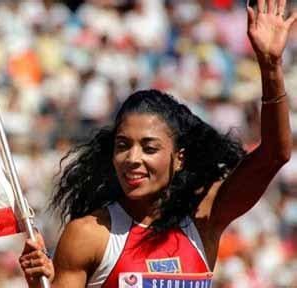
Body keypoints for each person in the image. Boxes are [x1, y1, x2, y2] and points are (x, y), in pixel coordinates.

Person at [19, 0, 296, 287]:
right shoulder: (90, 234)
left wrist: (271, 67)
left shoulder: (204, 217)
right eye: (123, 145)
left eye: (149, 148)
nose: (132, 158)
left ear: (179, 158)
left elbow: (275, 154)